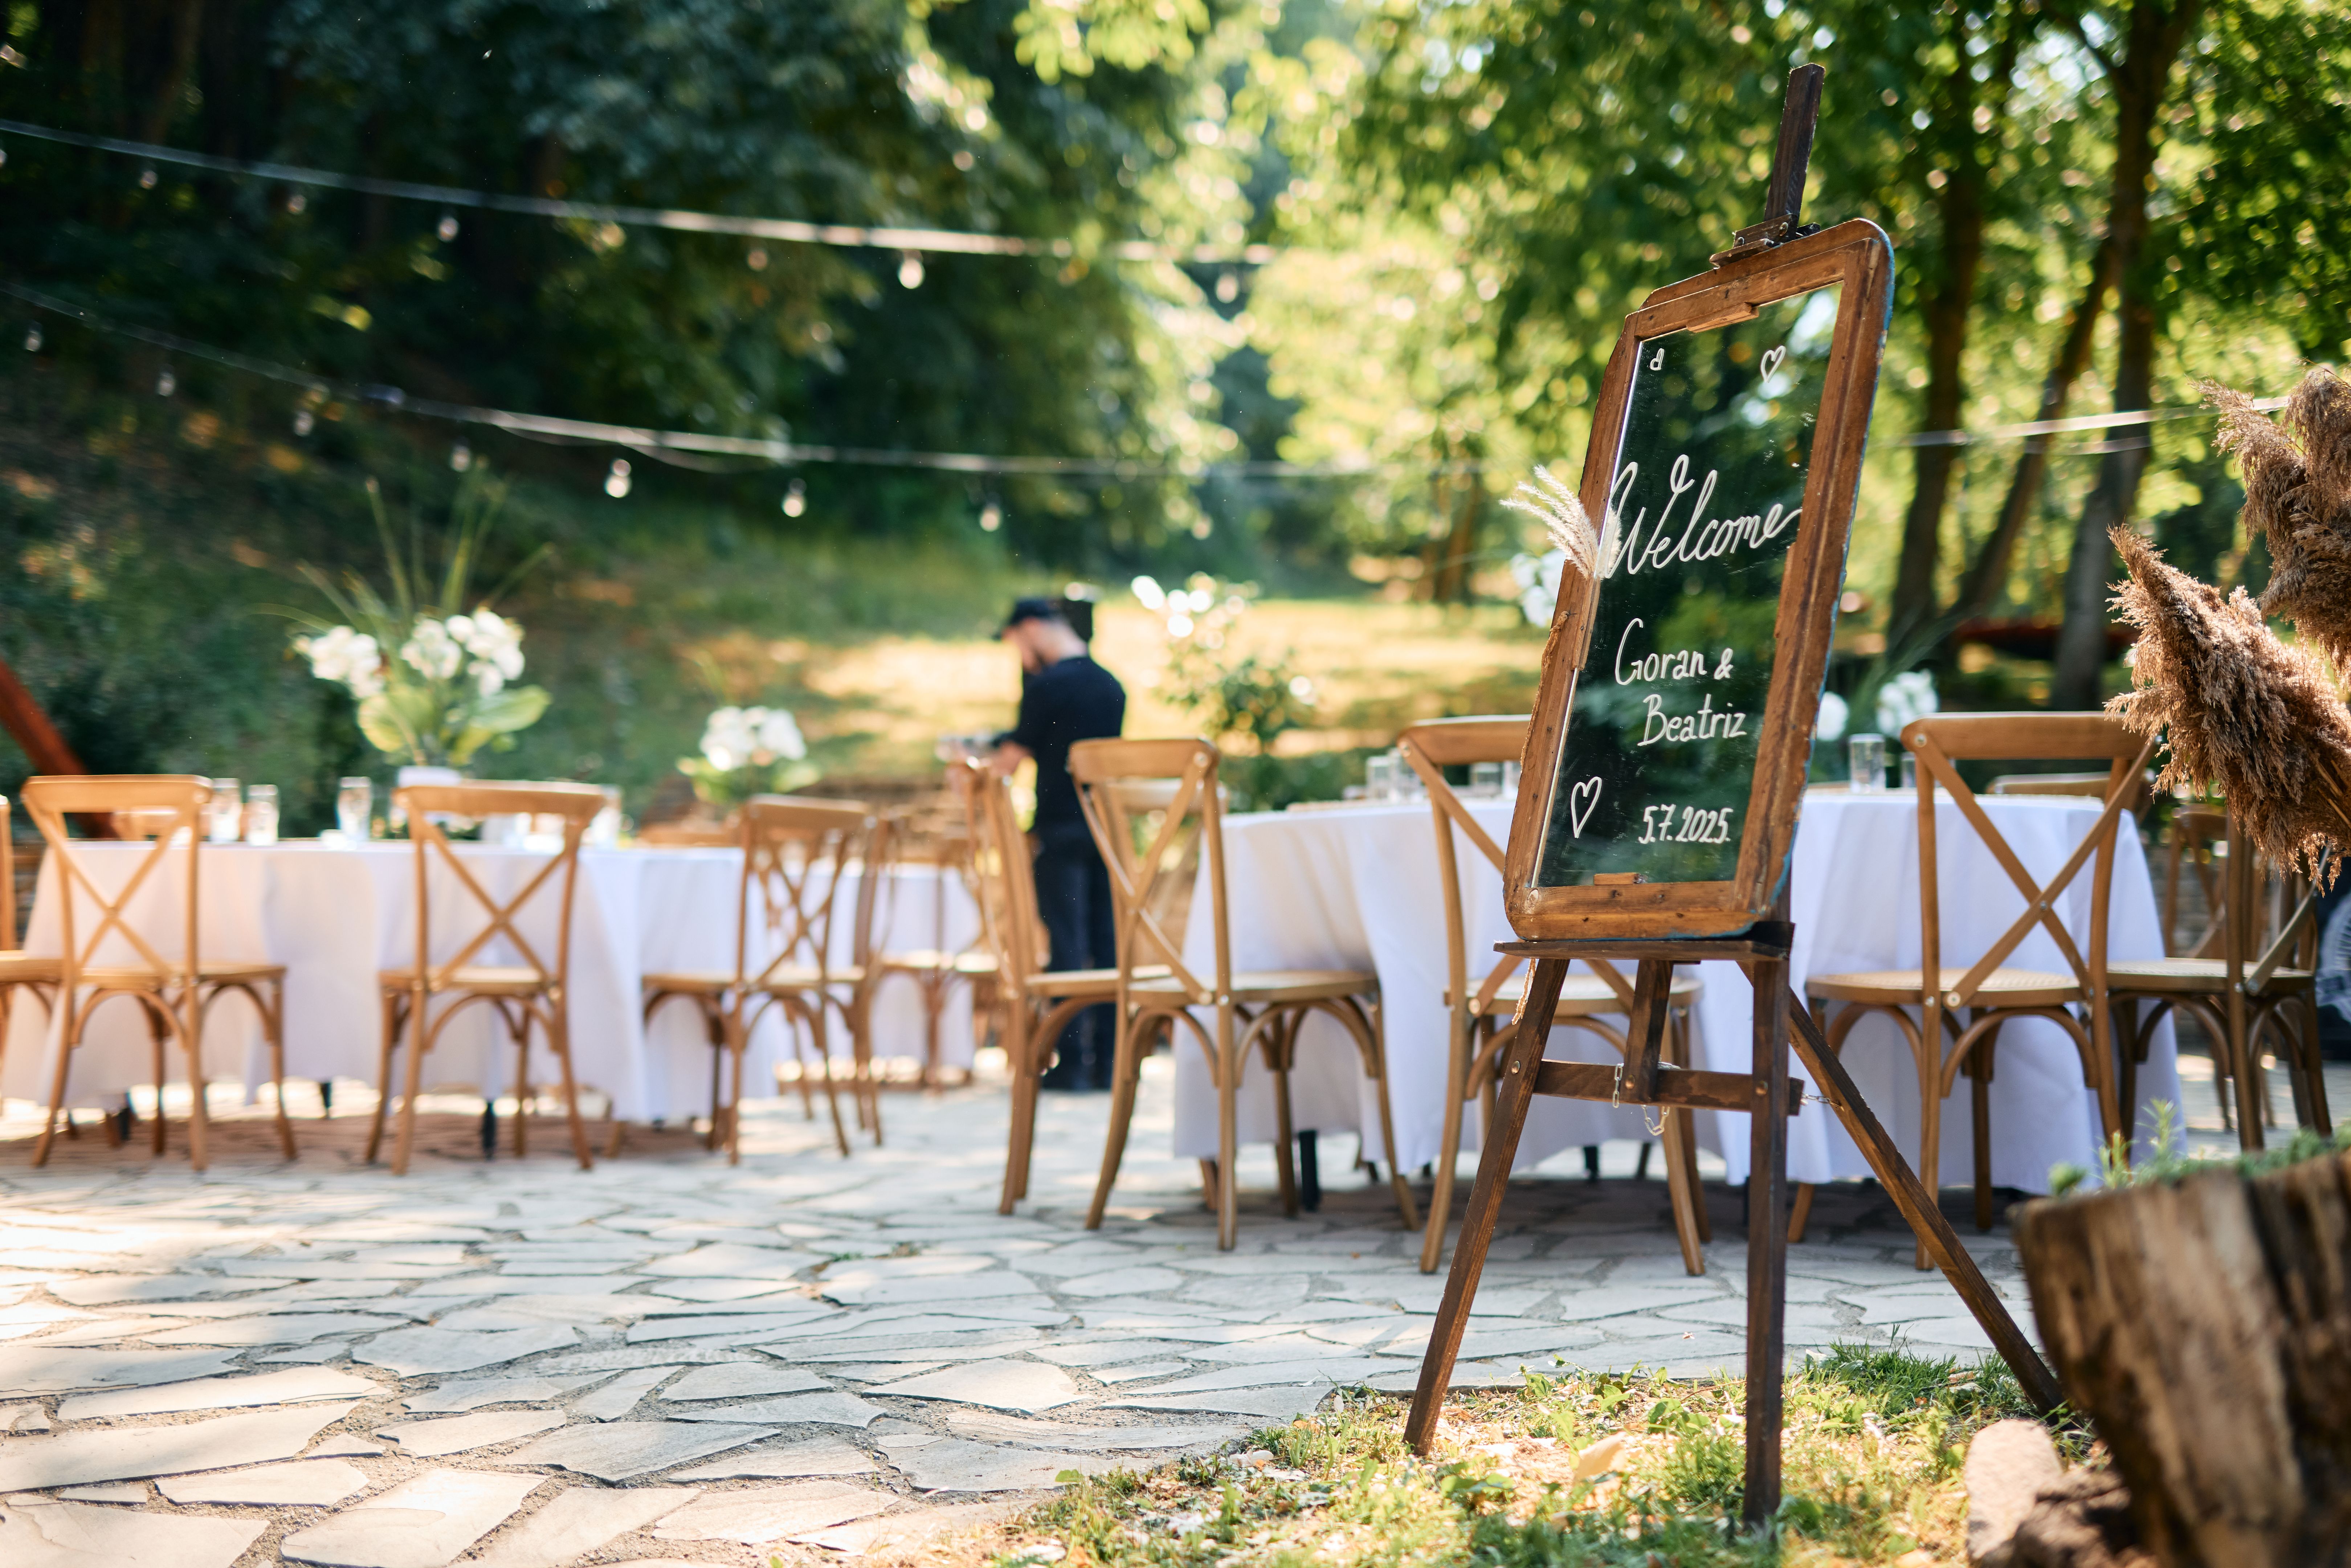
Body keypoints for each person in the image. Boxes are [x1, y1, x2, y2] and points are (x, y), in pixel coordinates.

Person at [992, 597, 1126, 1090]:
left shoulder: (1046, 686)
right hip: (1104, 829)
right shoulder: (1111, 685)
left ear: (1030, 629)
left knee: (1066, 944)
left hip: (1058, 826)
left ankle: (1069, 1064)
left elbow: (1007, 761)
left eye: (1017, 644)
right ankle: (1110, 1062)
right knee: (1107, 945)